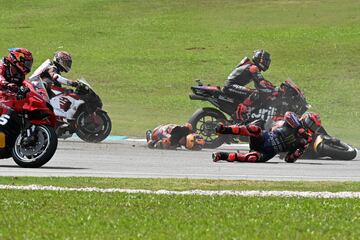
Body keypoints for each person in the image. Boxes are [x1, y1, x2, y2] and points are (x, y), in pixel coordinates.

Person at [212, 112, 321, 163]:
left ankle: (221, 156)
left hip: (268, 153)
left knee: (251, 158)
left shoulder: (303, 141)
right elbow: (287, 114)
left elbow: (289, 159)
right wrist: (299, 129)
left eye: (314, 126)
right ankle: (224, 129)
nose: (311, 127)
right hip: (265, 137)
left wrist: (299, 152)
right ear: (305, 119)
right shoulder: (294, 121)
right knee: (255, 129)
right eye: (311, 123)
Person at [223, 49, 277, 122]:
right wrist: (274, 89)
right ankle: (239, 113)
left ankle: (235, 119)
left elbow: (258, 84)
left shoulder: (252, 66)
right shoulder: (253, 67)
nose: (266, 63)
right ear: (259, 59)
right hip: (230, 86)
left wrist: (270, 87)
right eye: (265, 60)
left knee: (255, 92)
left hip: (232, 86)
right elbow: (261, 82)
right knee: (255, 93)